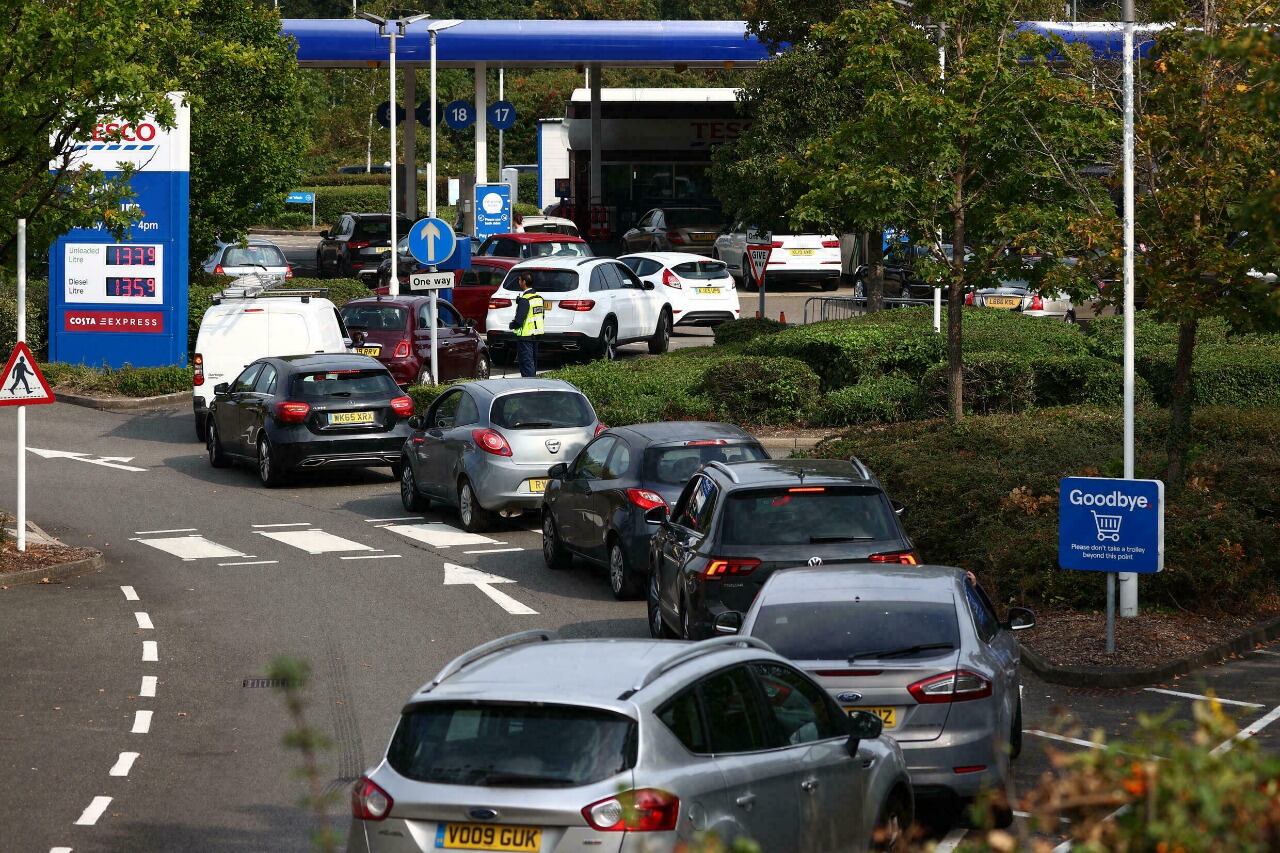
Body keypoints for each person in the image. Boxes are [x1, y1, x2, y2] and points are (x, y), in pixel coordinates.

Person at [509, 272, 544, 377]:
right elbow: (540, 316)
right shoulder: (538, 298)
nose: (519, 282)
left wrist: (512, 325)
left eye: (519, 280)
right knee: (533, 362)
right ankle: (533, 384)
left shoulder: (525, 300)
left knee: (526, 363)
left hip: (525, 336)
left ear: (524, 282)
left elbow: (519, 321)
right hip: (536, 335)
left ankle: (529, 386)